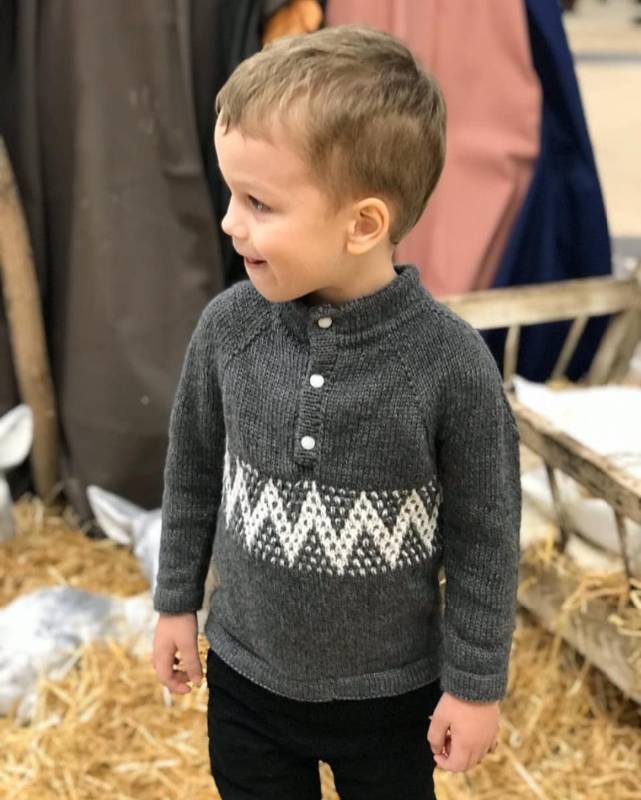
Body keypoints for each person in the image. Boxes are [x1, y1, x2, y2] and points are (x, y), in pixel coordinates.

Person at [151, 24, 521, 800]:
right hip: (246, 684)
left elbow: (484, 536)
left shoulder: (450, 365)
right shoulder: (228, 329)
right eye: (232, 193)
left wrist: (474, 686)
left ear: (363, 224)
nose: (229, 222)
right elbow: (191, 476)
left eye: (258, 202)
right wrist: (175, 604)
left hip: (392, 702)